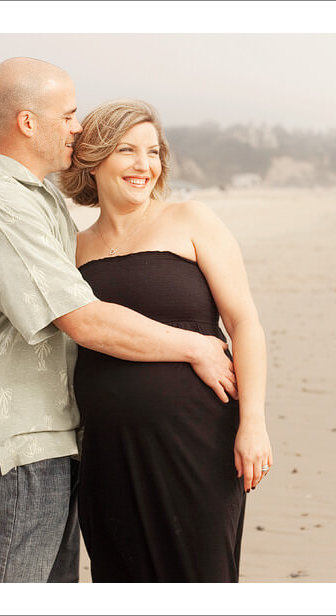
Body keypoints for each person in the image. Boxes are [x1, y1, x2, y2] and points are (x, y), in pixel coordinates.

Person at [0, 58, 237, 583]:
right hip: (20, 445)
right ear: (29, 122)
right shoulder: (2, 204)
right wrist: (196, 346)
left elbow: (40, 286)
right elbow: (83, 318)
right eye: (69, 114)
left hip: (60, 439)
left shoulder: (44, 201)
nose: (77, 127)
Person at [56, 98, 272, 582]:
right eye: (128, 151)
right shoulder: (72, 247)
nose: (144, 165)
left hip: (198, 443)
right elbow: (38, 307)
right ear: (94, 158)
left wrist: (253, 422)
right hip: (107, 449)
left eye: (153, 152)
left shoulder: (191, 220)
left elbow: (244, 323)